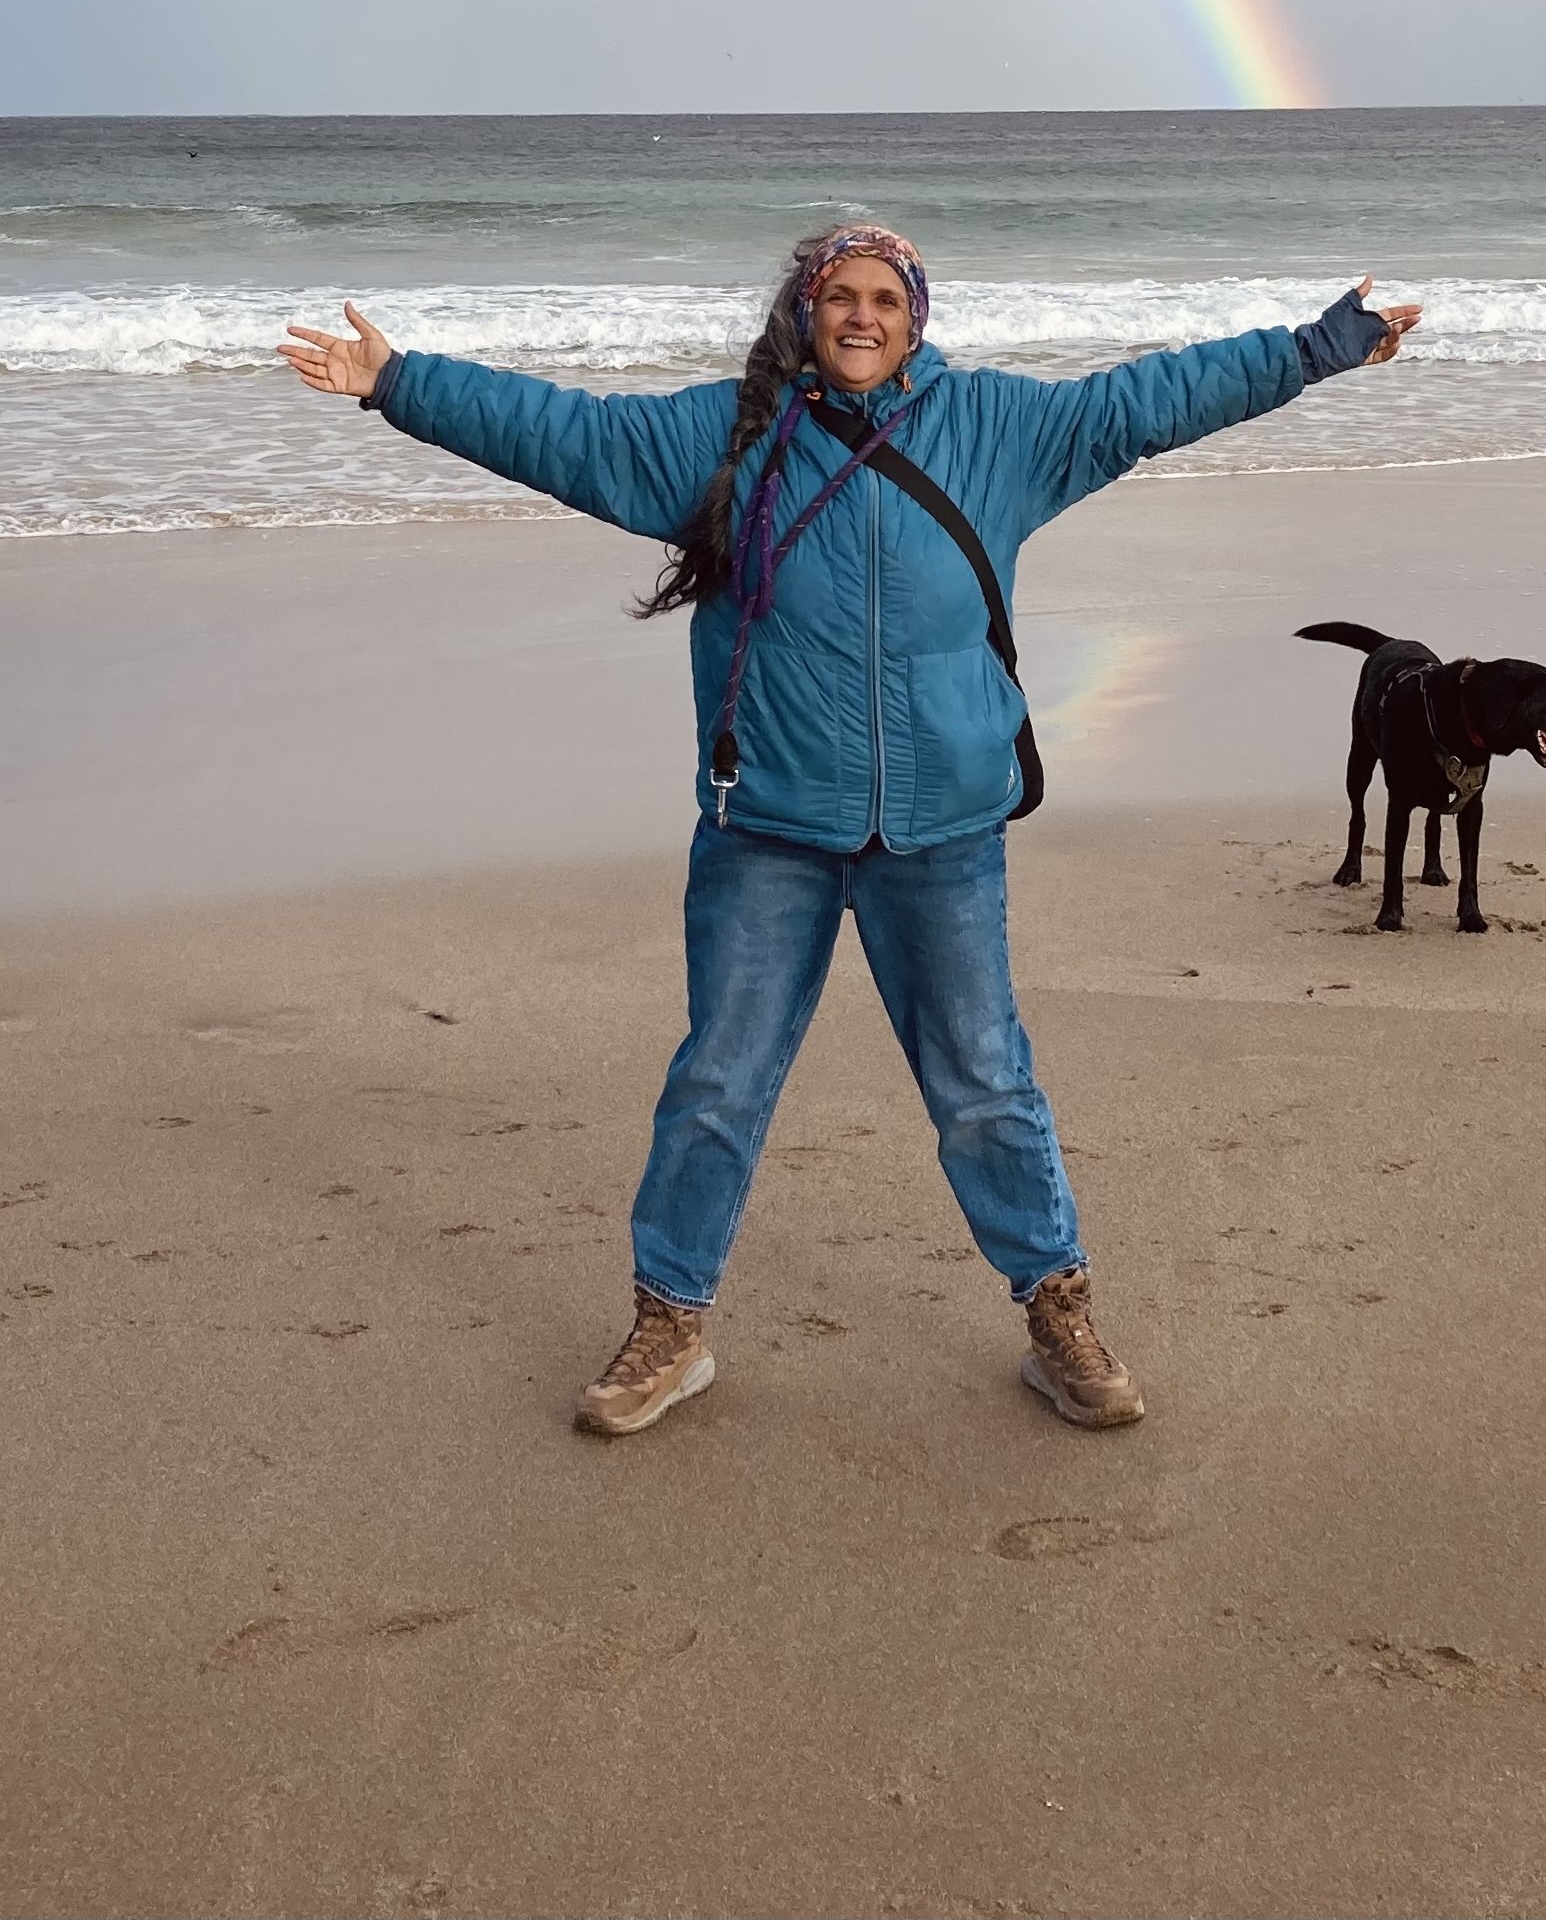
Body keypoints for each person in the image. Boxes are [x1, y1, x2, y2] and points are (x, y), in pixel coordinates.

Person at [279, 226, 1419, 1439]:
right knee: (717, 1083)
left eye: (886, 299)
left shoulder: (1001, 433)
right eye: (840, 296)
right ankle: (669, 1323)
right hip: (767, 823)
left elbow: (1158, 397)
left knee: (984, 1086)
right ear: (805, 311)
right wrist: (399, 383)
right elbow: (566, 433)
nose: (862, 316)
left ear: (917, 320)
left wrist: (1316, 347)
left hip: (941, 833)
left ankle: (1057, 1314)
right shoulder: (722, 438)